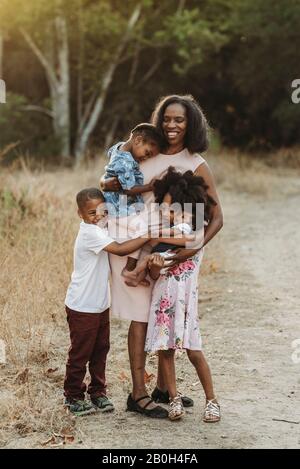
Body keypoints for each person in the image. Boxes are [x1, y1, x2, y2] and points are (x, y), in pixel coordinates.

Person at [101, 95, 223, 421]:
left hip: (175, 253)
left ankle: (165, 390)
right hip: (134, 241)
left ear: (190, 124)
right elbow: (113, 184)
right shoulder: (144, 154)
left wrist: (195, 248)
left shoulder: (195, 162)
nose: (171, 125)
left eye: (179, 120)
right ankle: (138, 393)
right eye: (166, 119)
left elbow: (216, 217)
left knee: (164, 317)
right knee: (142, 316)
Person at [64, 188, 151, 416]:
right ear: (79, 214)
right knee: (80, 353)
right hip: (82, 305)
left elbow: (119, 220)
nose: (98, 215)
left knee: (101, 350)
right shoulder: (90, 233)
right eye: (91, 212)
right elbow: (121, 249)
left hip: (100, 304)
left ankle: (98, 392)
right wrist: (148, 235)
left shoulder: (100, 226)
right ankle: (73, 396)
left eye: (102, 210)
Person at [144, 167, 219, 421]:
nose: (167, 214)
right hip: (163, 305)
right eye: (164, 209)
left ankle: (212, 400)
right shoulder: (166, 241)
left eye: (172, 209)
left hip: (187, 305)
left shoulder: (195, 233)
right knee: (165, 352)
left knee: (194, 352)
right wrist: (153, 263)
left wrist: (153, 237)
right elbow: (155, 276)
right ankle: (173, 398)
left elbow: (191, 239)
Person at [103, 123, 164, 286]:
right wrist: (150, 186)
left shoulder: (118, 148)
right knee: (144, 231)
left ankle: (135, 269)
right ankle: (130, 270)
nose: (146, 158)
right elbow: (129, 189)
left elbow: (109, 157)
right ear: (137, 140)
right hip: (119, 209)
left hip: (124, 207)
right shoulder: (125, 161)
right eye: (147, 153)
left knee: (150, 223)